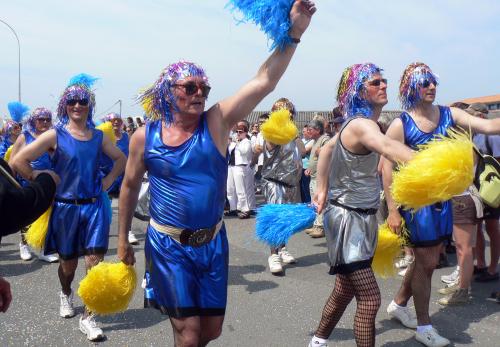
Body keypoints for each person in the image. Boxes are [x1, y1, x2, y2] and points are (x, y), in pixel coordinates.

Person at [117, 3, 316, 346]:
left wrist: (294, 34)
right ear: (168, 91)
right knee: (190, 335)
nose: (199, 94)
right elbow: (130, 185)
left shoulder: (216, 122)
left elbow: (264, 81)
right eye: (189, 88)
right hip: (168, 245)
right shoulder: (143, 137)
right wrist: (122, 240)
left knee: (211, 332)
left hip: (212, 243)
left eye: (203, 89)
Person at [383, 63, 500, 347]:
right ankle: (424, 326)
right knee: (426, 262)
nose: (432, 87)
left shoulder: (449, 113)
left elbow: (489, 126)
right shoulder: (401, 123)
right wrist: (393, 209)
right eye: (425, 83)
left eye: (433, 82)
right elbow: (385, 166)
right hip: (416, 204)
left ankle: (399, 304)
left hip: (444, 201)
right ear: (412, 88)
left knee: (430, 260)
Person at [12, 75, 126, 341]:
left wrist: (108, 181)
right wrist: (42, 181)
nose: (77, 105)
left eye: (82, 101)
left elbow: (120, 159)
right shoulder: (55, 135)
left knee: (94, 262)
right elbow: (19, 161)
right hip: (65, 209)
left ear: (89, 105)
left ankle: (89, 316)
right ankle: (65, 293)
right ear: (65, 105)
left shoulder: (98, 137)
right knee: (69, 266)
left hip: (95, 207)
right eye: (72, 101)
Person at [308, 63, 413, 347]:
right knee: (370, 298)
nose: (383, 86)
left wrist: (322, 186)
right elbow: (389, 148)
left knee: (343, 290)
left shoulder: (365, 123)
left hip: (364, 219)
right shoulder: (361, 125)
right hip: (347, 221)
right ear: (359, 91)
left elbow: (328, 147)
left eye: (384, 81)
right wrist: (432, 164)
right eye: (375, 83)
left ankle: (317, 341)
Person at [0, 157, 60, 313]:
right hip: (33, 188)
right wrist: (46, 180)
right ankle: (25, 244)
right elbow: (10, 207)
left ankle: (40, 248)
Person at [255, 98, 306, 275]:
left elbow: (303, 150)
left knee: (285, 220)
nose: (290, 115)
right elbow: (268, 145)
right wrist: (280, 126)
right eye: (286, 111)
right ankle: (273, 255)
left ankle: (282, 249)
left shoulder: (292, 134)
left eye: (291, 112)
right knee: (276, 219)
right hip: (274, 182)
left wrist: (294, 133)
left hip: (291, 184)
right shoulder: (272, 134)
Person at [8, 107, 59, 263]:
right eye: (40, 119)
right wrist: (12, 183)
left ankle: (42, 248)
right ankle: (24, 245)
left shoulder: (53, 137)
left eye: (47, 119)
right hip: (28, 181)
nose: (44, 122)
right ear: (34, 121)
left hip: (49, 183)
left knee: (47, 216)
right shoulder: (25, 137)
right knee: (27, 215)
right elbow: (13, 161)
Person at [469, 103, 500, 283]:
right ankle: (481, 263)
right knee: (478, 228)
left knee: (492, 229)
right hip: (477, 190)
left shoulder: (492, 136)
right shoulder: (474, 135)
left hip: (490, 190)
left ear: (479, 116)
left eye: (471, 116)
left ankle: (493, 267)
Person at [99, 113, 138, 244]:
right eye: (112, 120)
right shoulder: (103, 138)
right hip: (108, 175)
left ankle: (128, 231)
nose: (115, 123)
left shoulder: (127, 136)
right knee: (105, 206)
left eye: (118, 120)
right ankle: (102, 230)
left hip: (124, 176)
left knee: (126, 204)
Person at [304, 119, 330, 238]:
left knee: (320, 201)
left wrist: (322, 152)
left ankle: (321, 227)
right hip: (313, 176)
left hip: (321, 178)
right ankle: (316, 224)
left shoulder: (325, 139)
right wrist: (309, 168)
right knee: (314, 201)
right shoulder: (315, 141)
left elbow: (329, 154)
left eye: (310, 130)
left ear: (318, 130)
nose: (308, 132)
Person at [226, 123, 255, 219]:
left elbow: (244, 151)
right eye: (237, 131)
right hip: (231, 166)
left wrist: (237, 142)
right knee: (230, 189)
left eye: (240, 132)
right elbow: (228, 150)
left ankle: (245, 209)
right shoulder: (235, 142)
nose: (238, 133)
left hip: (240, 166)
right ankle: (233, 208)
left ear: (245, 133)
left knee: (240, 190)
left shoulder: (246, 141)